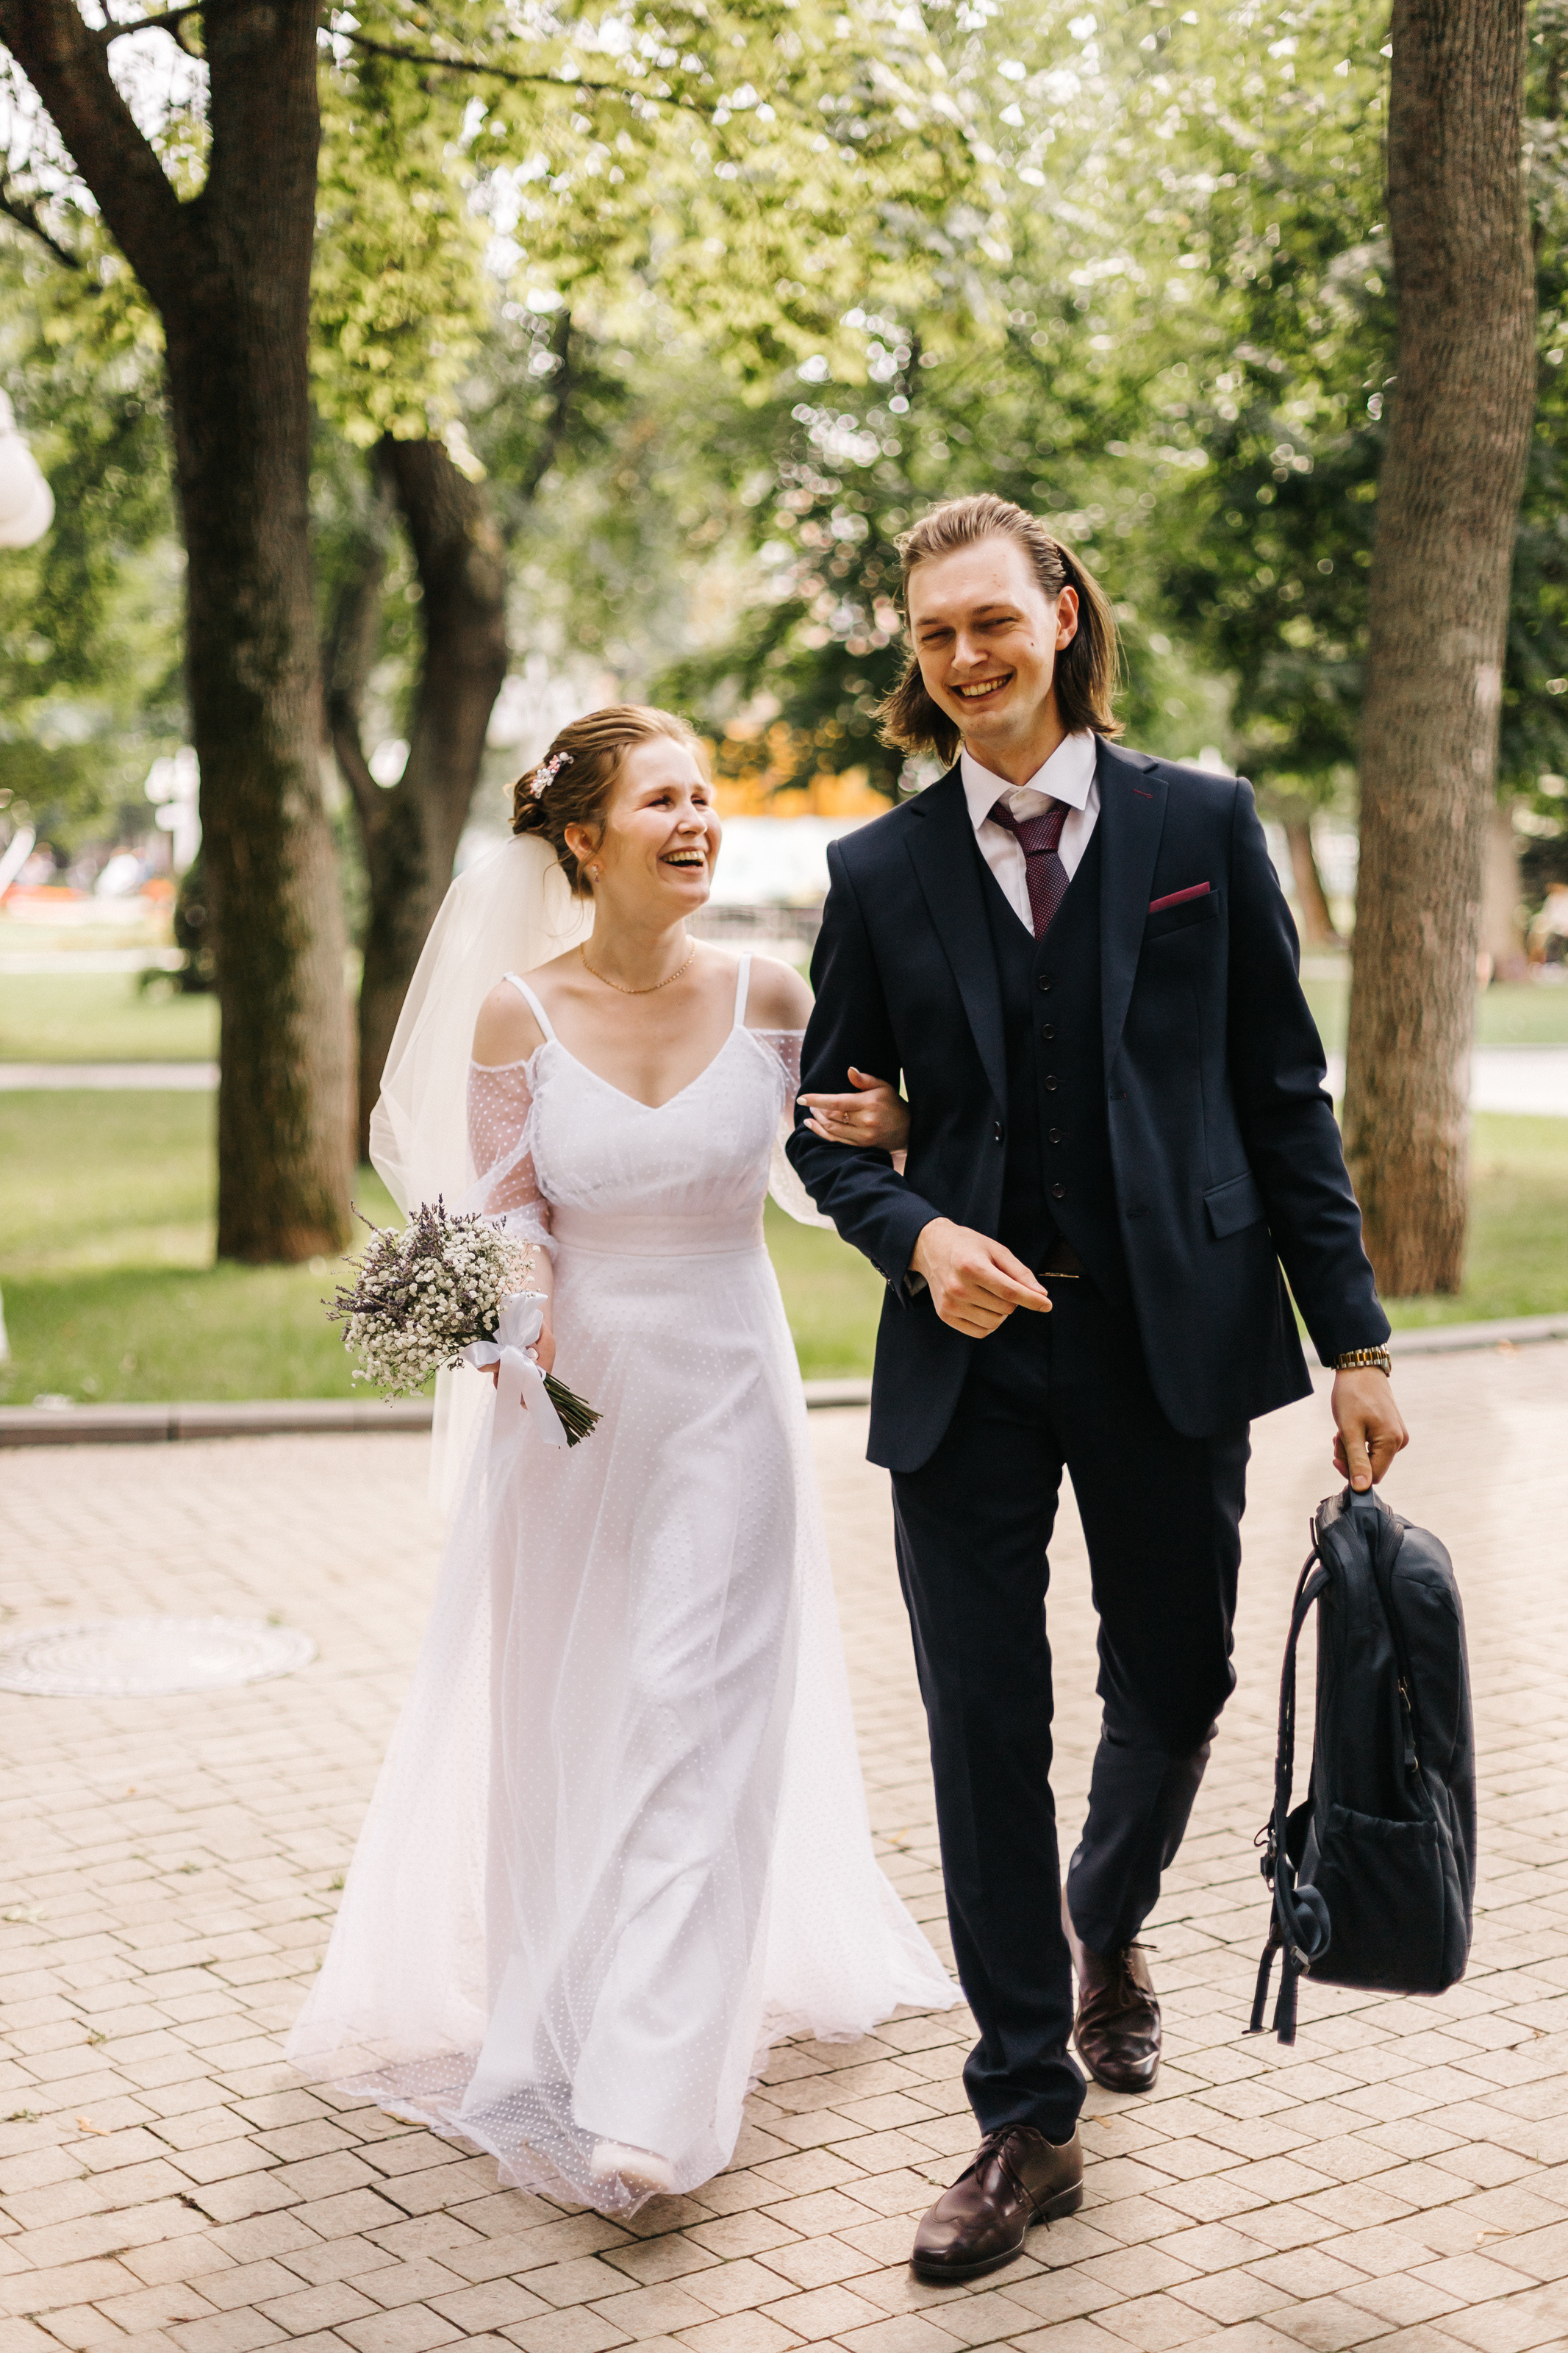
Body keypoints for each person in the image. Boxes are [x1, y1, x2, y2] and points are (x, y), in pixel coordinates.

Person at [789, 495, 1410, 2282]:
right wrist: (917, 1233)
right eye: (932, 634)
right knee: (980, 1723)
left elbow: (1280, 1097)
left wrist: (1355, 1343)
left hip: (1169, 1339)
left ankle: (1103, 1911)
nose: (963, 657)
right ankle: (1019, 2113)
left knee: (1178, 1675)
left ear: (1059, 615)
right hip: (966, 1366)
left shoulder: (1198, 824)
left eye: (989, 620)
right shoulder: (876, 871)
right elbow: (823, 1133)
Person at [287, 704, 954, 2214]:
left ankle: (651, 2094)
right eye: (663, 800)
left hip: (727, 1391)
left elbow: (830, 1161)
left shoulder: (771, 994)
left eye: (704, 796)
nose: (697, 819)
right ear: (583, 839)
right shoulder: (516, 1016)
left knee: (687, 1707)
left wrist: (900, 1126)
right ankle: (575, 1998)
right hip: (576, 1412)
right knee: (583, 1707)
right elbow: (511, 1201)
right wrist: (505, 1306)